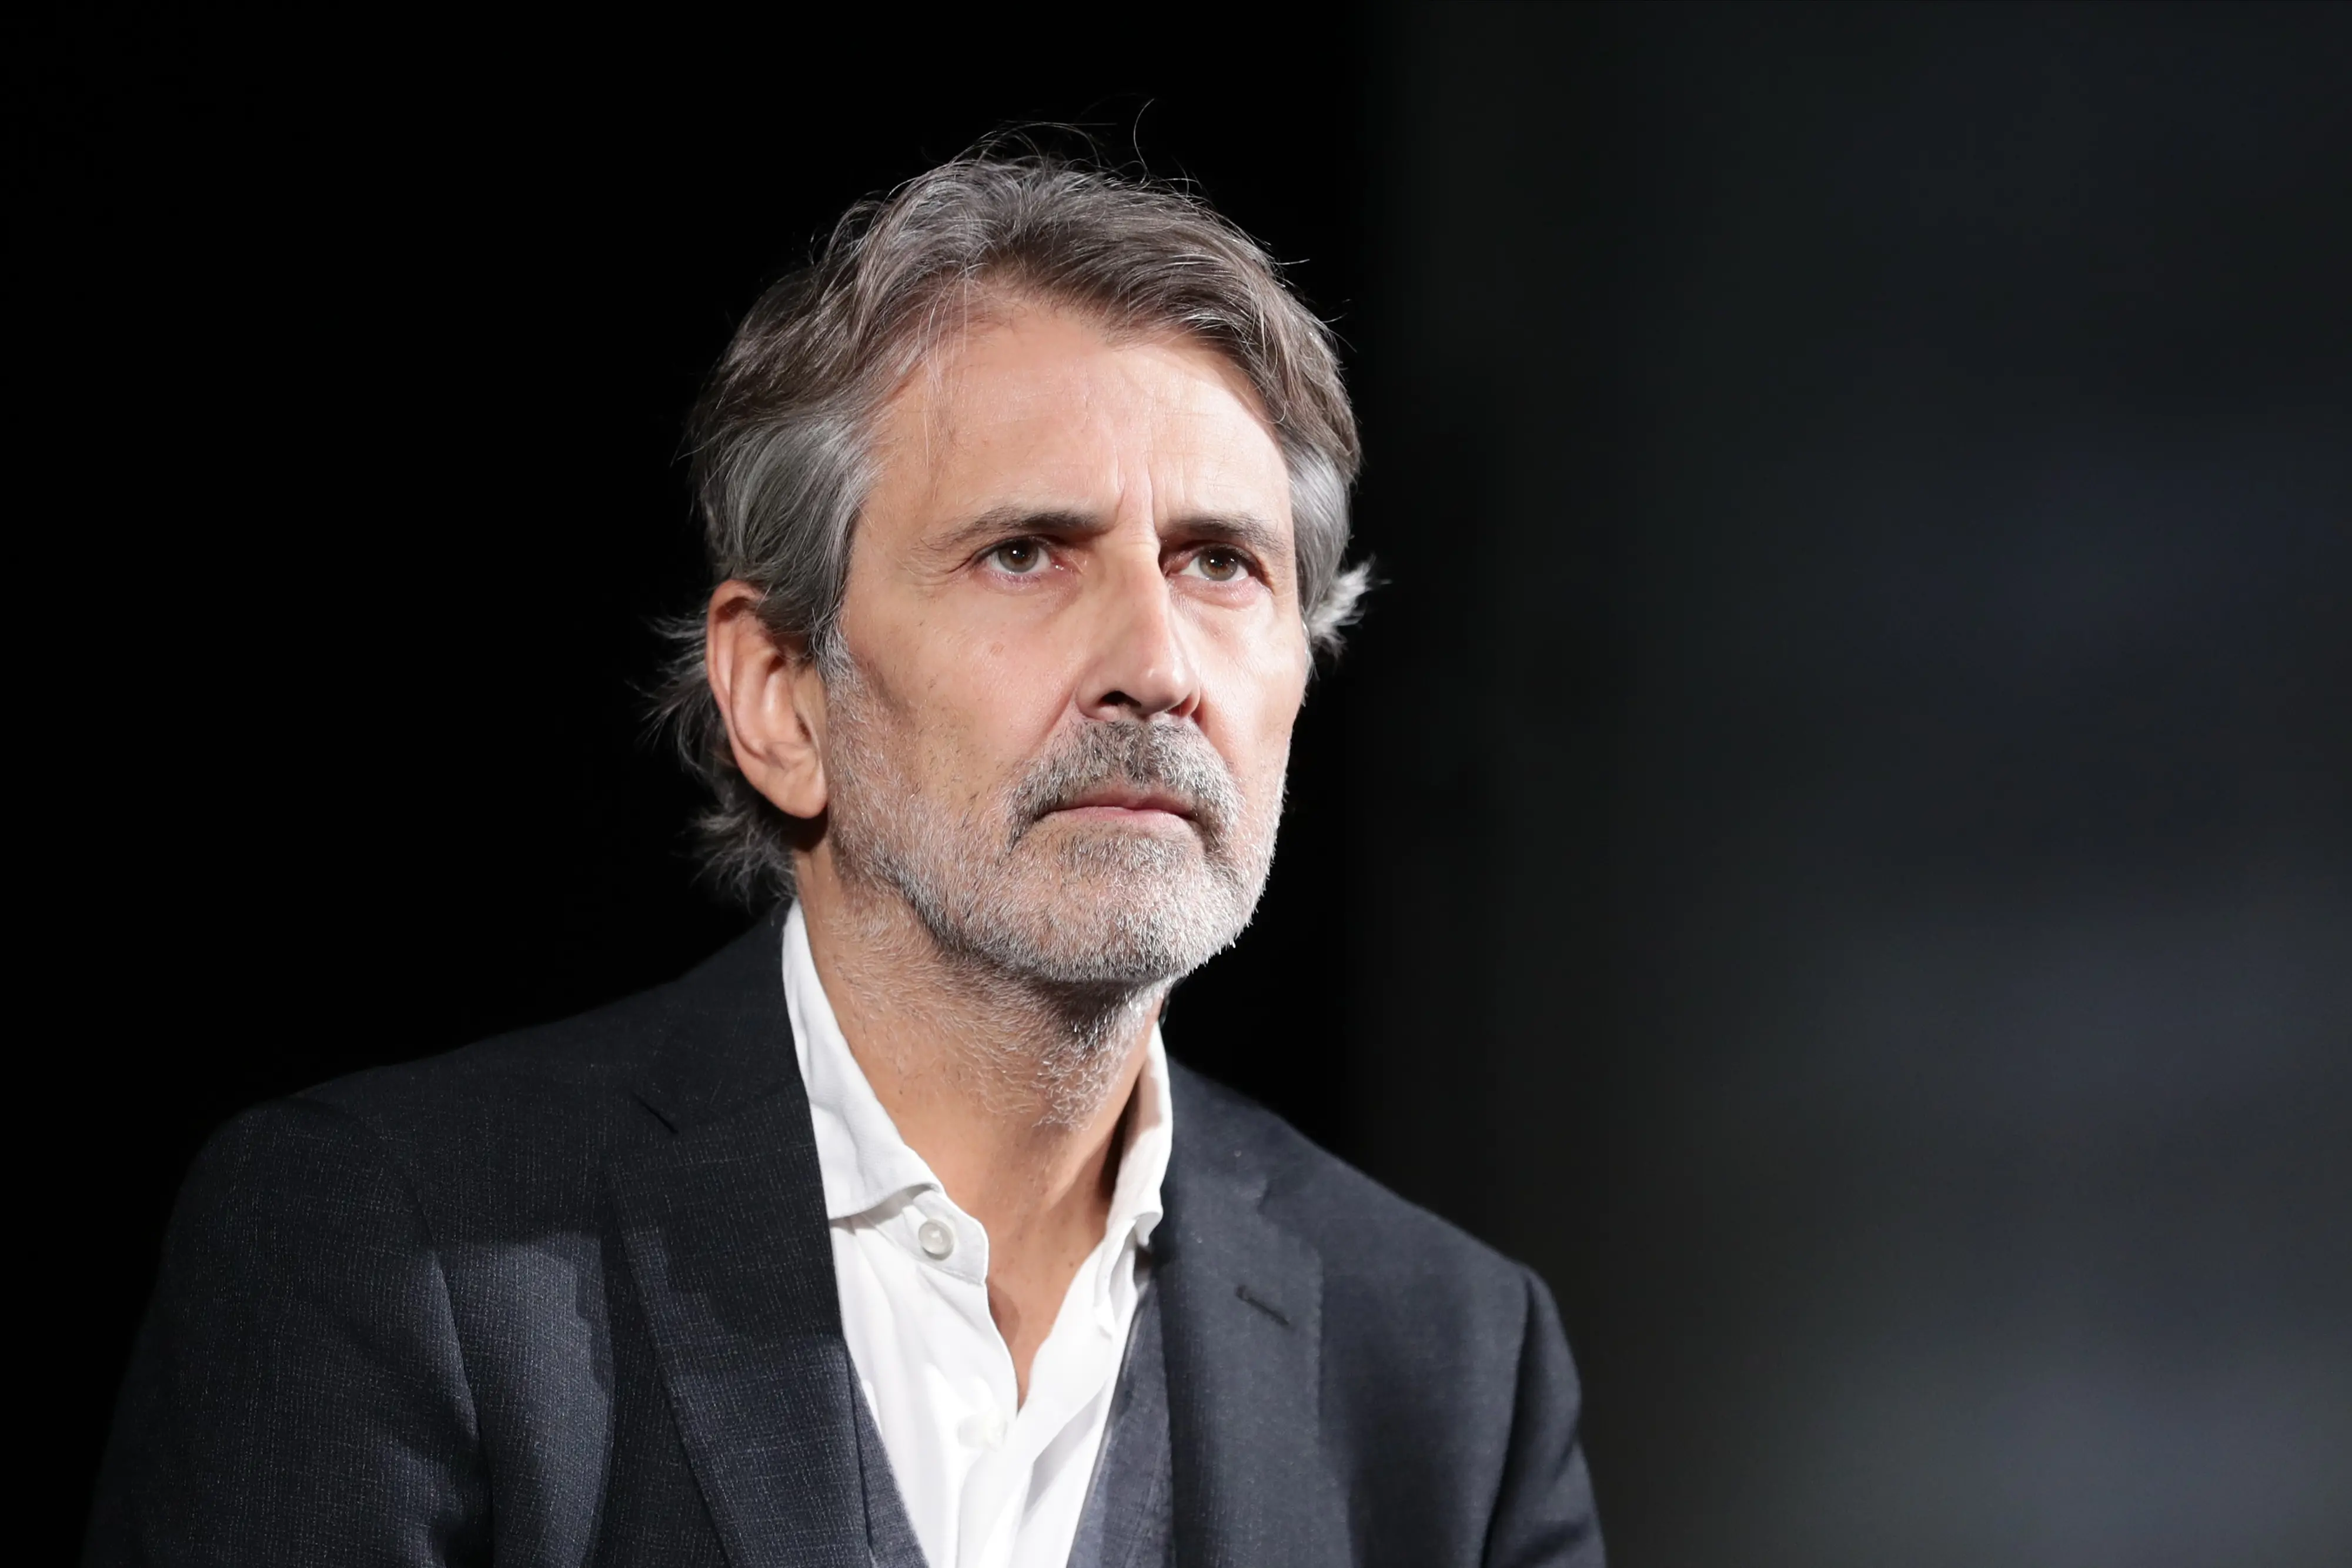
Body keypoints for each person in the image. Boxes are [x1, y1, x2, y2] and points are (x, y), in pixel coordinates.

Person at [88, 151, 1603, 1568]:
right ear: (781, 697)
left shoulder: (1456, 1371)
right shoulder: (384, 1245)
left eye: (1221, 563)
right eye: (1024, 554)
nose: (1157, 665)